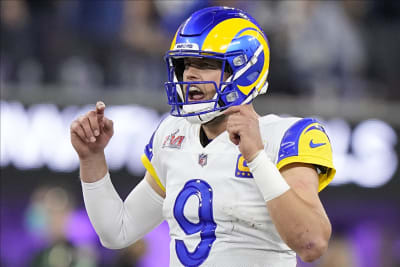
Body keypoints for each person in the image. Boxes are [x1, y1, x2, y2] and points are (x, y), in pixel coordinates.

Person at [70, 6, 336, 267]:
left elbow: (311, 243)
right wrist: (92, 158)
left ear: (244, 70)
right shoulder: (173, 134)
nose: (189, 73)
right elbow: (118, 231)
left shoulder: (284, 137)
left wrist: (257, 158)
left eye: (206, 64)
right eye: (185, 64)